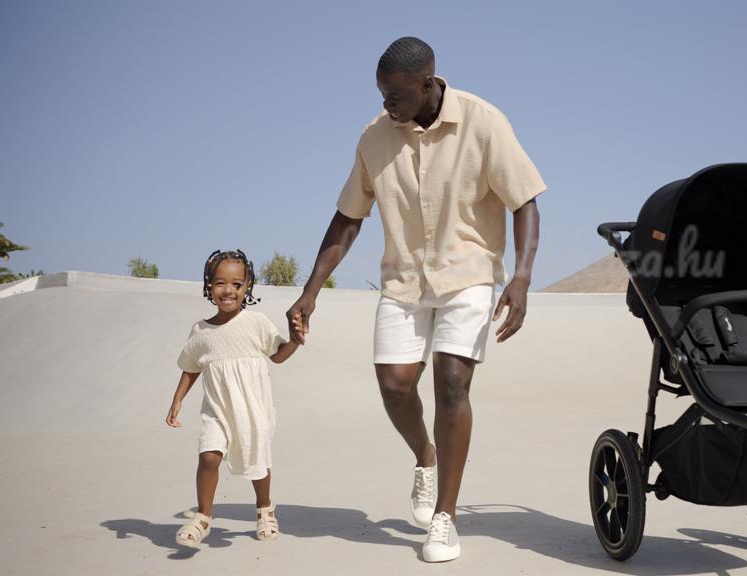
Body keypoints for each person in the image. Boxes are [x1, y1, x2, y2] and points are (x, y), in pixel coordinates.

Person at [286, 37, 544, 562]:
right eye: (382, 94)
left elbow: (525, 201)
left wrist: (520, 278)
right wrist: (310, 291)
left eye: (397, 95)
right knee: (394, 386)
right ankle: (426, 455)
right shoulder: (374, 137)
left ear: (428, 84)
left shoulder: (483, 122)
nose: (388, 104)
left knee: (452, 382)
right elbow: (348, 218)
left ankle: (445, 517)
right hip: (403, 279)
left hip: (469, 274)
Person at [167, 249, 304, 548]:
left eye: (236, 284)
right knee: (208, 456)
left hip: (252, 409)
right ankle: (203, 517)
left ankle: (265, 510)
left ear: (247, 286)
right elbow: (191, 368)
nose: (228, 290)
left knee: (258, 462)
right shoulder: (200, 331)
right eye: (220, 283)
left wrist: (295, 340)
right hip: (216, 410)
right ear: (208, 286)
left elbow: (278, 355)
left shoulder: (256, 322)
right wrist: (177, 400)